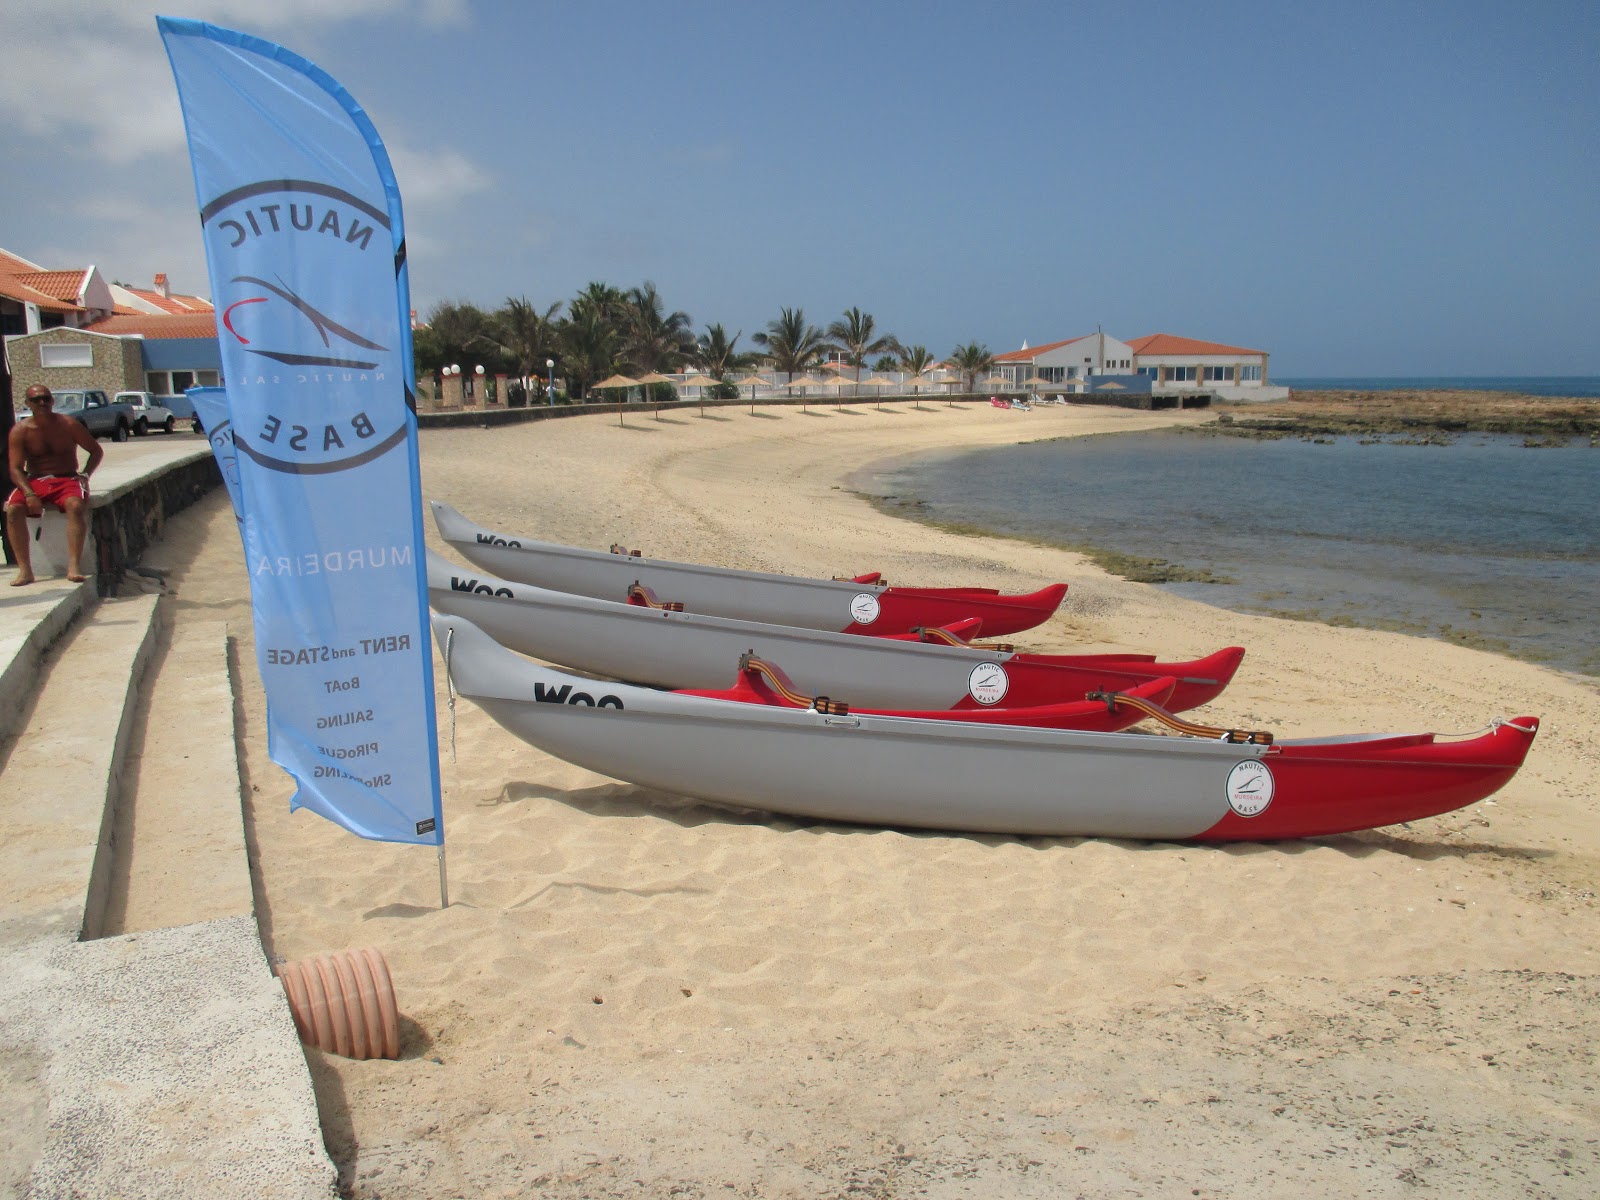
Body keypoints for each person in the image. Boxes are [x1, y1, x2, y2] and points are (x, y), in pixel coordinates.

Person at [6, 384, 104, 585]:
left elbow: (96, 451)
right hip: (36, 479)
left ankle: (74, 565)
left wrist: (85, 474)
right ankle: (25, 570)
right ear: (27, 404)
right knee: (13, 509)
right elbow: (15, 468)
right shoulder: (21, 431)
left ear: (52, 401)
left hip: (66, 478)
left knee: (75, 506)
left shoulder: (68, 424)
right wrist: (29, 494)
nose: (42, 403)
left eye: (46, 398)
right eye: (36, 400)